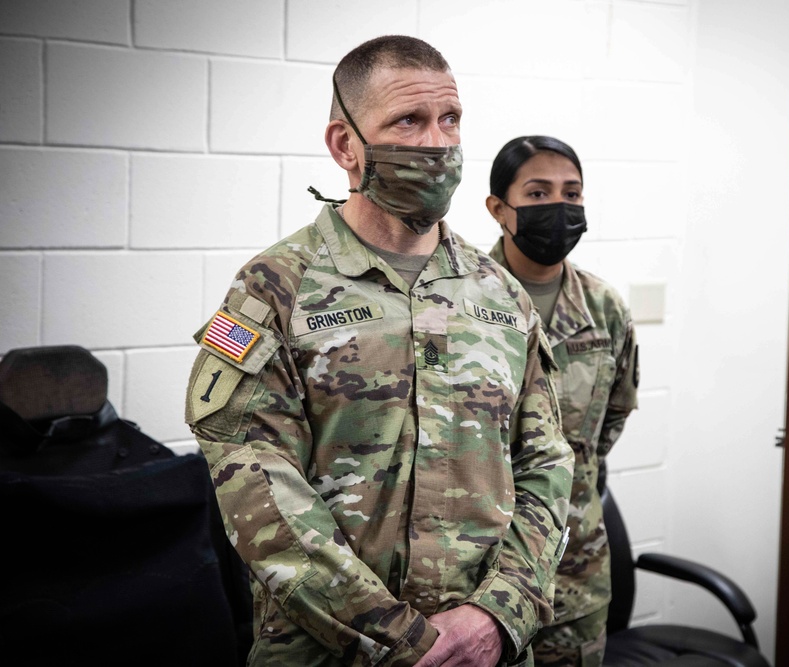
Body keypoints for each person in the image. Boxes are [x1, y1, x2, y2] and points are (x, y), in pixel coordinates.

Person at [184, 36, 574, 667]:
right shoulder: (278, 286)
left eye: (450, 120)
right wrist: (404, 642)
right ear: (345, 145)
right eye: (408, 121)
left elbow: (548, 463)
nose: (437, 144)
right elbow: (257, 483)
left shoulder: (498, 290)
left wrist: (496, 615)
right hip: (330, 652)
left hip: (489, 652)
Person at [485, 136, 639, 666]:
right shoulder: (456, 302)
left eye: (572, 194)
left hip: (577, 570)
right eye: (538, 192)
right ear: (498, 208)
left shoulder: (604, 307)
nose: (559, 206)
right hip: (479, 580)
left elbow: (611, 420)